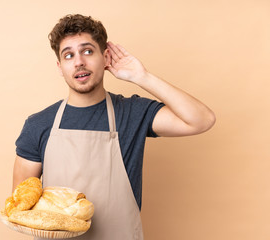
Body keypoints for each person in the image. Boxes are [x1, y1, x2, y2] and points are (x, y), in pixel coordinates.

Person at [12, 14, 215, 240]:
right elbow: (21, 206)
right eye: (69, 55)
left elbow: (201, 120)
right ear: (60, 67)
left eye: (87, 51)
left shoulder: (133, 113)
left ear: (105, 57)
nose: (79, 61)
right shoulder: (38, 125)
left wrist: (142, 76)